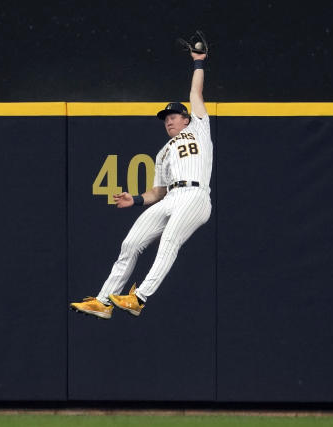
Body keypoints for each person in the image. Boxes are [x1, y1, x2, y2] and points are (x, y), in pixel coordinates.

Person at [70, 48, 212, 319]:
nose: (168, 120)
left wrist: (198, 62)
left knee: (170, 240)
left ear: (187, 119)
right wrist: (134, 199)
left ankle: (140, 297)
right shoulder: (163, 152)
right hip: (172, 196)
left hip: (196, 195)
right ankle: (103, 301)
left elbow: (195, 94)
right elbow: (158, 192)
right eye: (165, 118)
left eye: (173, 116)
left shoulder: (199, 129)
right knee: (130, 243)